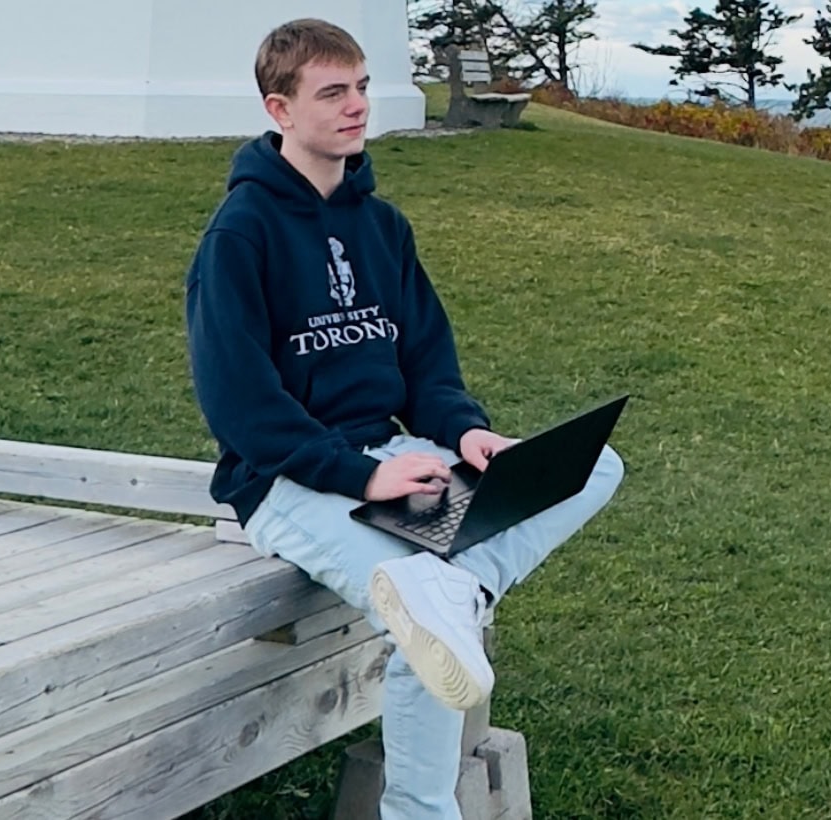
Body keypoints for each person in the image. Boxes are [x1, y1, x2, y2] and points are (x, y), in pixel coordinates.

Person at [183, 17, 624, 820]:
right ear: (279, 111)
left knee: (594, 465)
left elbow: (425, 363)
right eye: (332, 93)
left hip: (402, 455)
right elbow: (241, 407)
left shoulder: (382, 226)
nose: (357, 106)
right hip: (288, 483)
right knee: (416, 605)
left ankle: (459, 586)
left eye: (360, 87)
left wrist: (464, 433)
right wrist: (363, 473)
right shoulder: (239, 234)